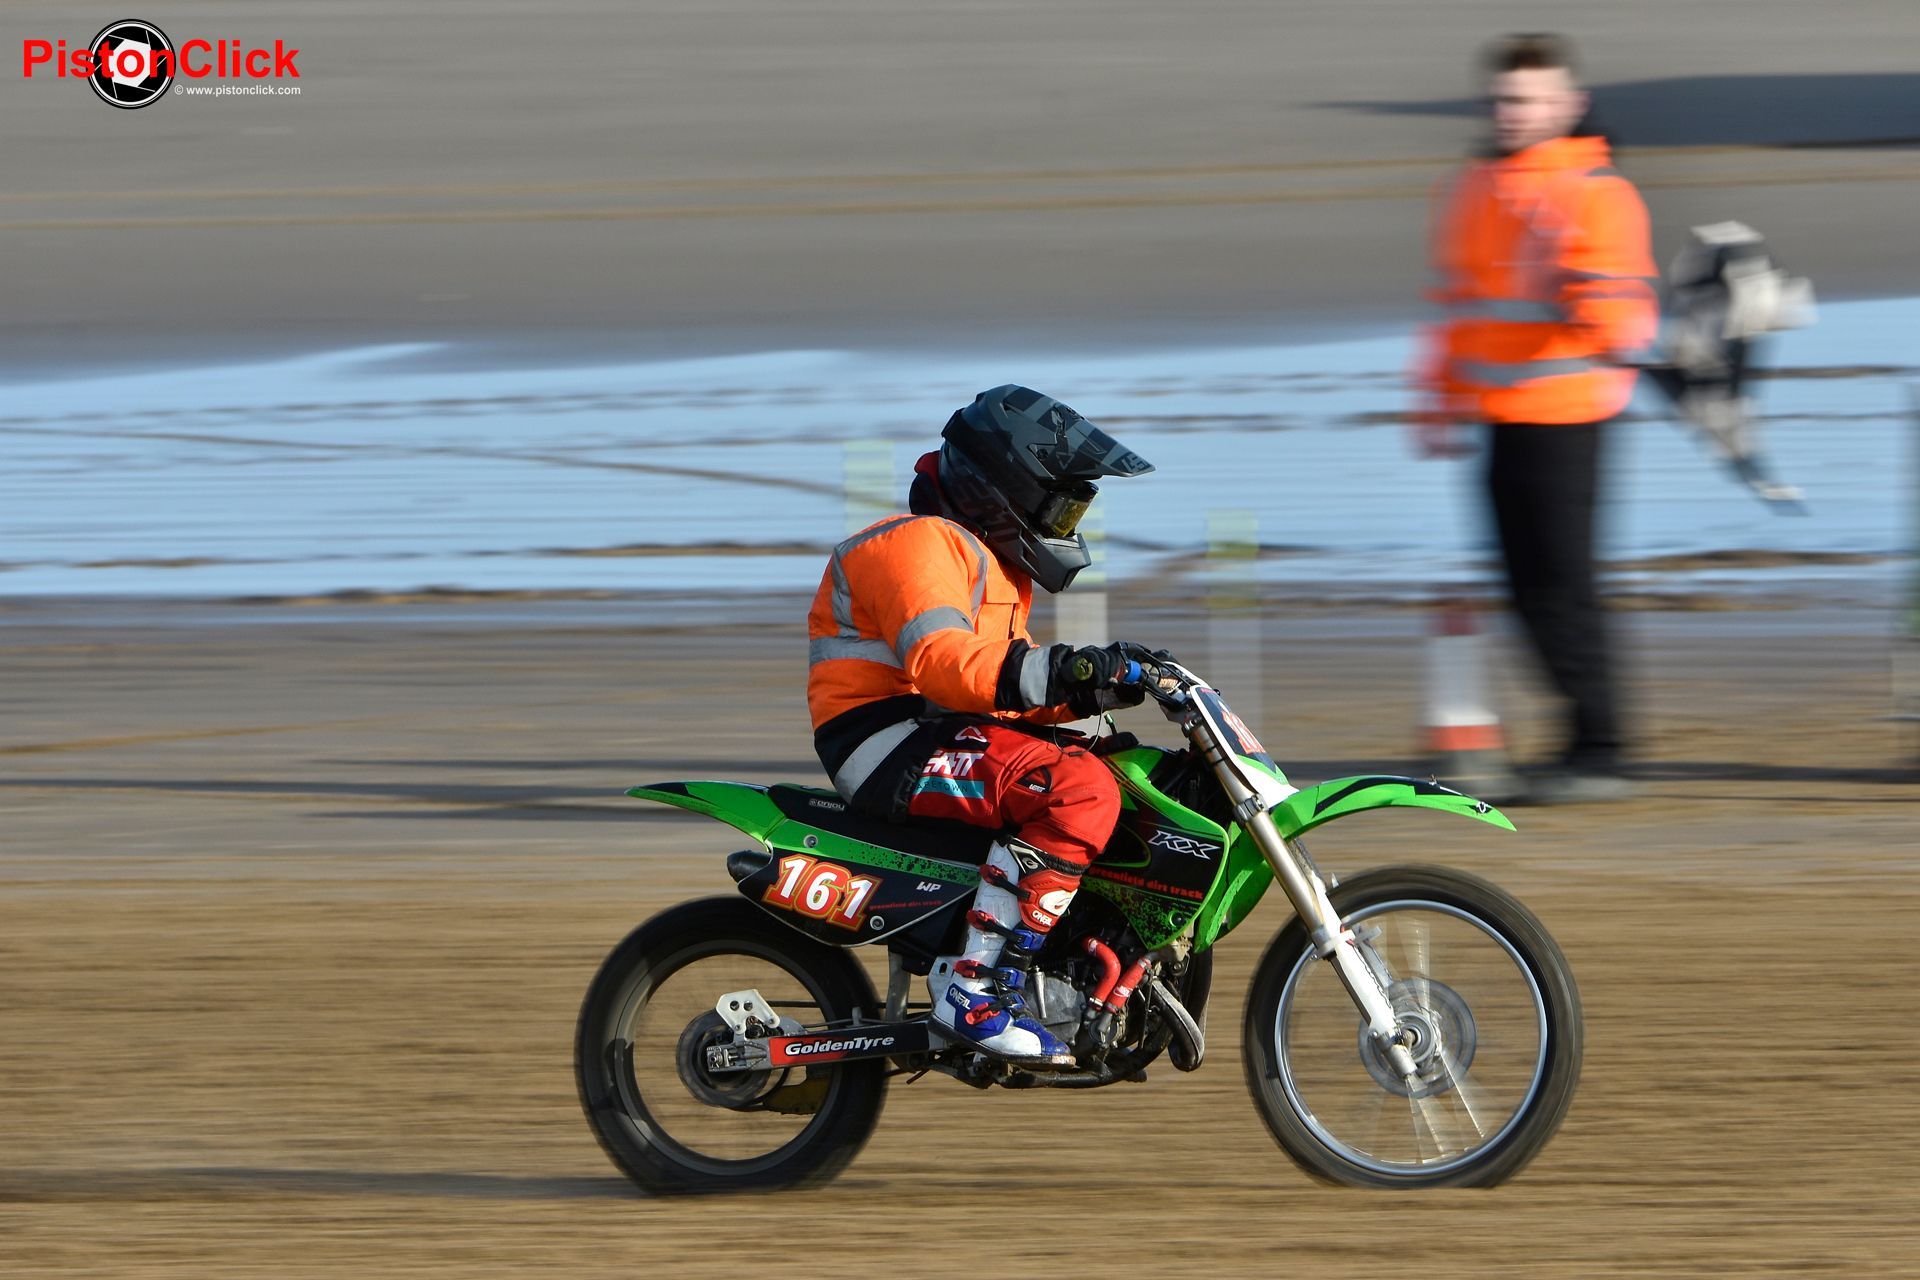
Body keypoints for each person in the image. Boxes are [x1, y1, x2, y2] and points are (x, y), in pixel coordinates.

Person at [806, 385, 1154, 1065]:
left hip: (942, 733)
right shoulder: (916, 545)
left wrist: (1099, 689)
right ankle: (977, 988)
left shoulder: (987, 564)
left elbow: (1001, 689)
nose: (1069, 519)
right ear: (1003, 492)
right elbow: (946, 666)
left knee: (1114, 769)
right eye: (1062, 503)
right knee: (1078, 791)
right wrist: (1070, 670)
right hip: (887, 744)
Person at [1416, 32, 1659, 800]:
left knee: (1563, 585)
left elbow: (1628, 321)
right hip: (1498, 415)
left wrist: (1583, 289)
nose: (1513, 112)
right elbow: (1456, 304)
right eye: (1503, 99)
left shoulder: (1596, 192)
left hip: (1569, 417)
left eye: (1528, 100)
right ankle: (1580, 741)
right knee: (1524, 587)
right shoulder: (1476, 187)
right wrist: (1439, 398)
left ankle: (1602, 748)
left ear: (1569, 104)